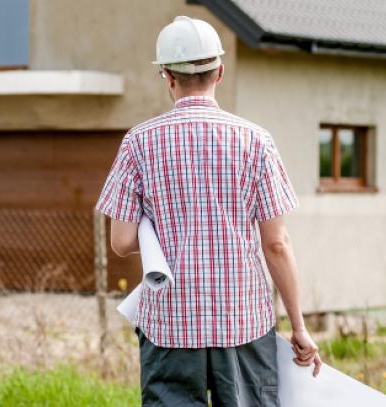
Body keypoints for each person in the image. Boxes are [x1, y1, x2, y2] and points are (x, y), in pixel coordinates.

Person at [95, 16, 321, 407]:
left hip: (168, 327)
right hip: (243, 323)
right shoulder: (256, 141)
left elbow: (121, 241)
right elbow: (277, 245)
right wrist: (298, 327)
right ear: (220, 71)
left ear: (167, 77)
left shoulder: (137, 143)